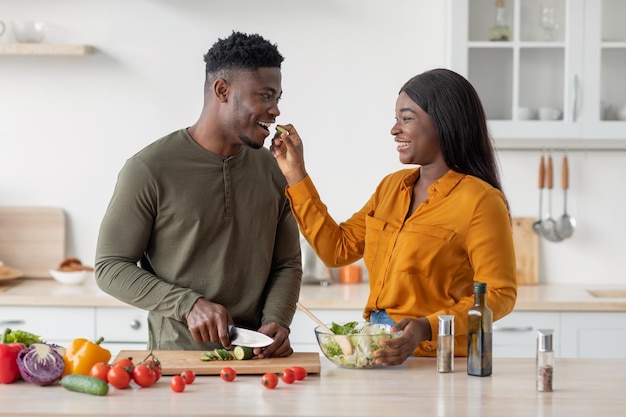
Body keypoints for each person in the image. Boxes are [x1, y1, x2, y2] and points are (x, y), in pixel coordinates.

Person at [270, 68, 517, 366]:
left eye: (406, 118)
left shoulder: (481, 201)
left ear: (444, 122)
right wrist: (296, 173)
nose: (394, 129)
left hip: (436, 359)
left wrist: (426, 327)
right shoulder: (391, 187)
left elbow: (499, 293)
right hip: (377, 351)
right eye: (396, 118)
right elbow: (336, 250)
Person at [95, 31, 302, 358]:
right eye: (265, 96)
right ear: (222, 90)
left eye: (277, 98)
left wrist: (278, 319)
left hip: (258, 363)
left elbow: (287, 263)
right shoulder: (149, 168)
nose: (275, 110)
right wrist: (188, 304)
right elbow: (110, 267)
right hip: (174, 362)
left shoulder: (275, 168)